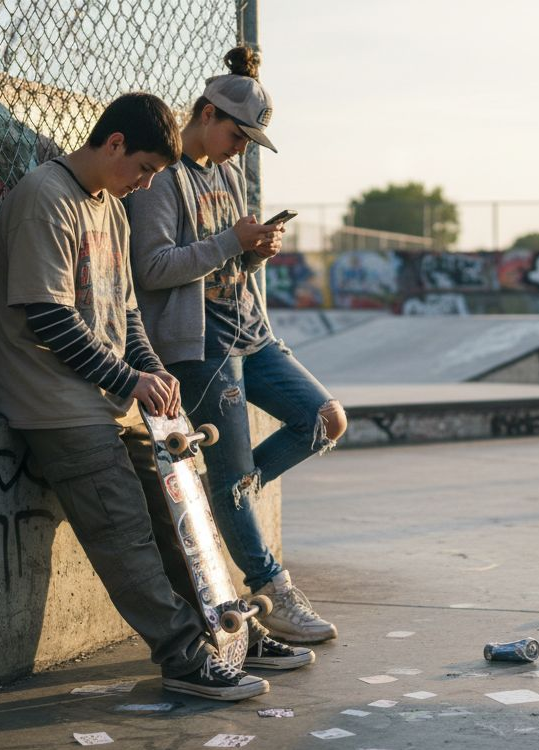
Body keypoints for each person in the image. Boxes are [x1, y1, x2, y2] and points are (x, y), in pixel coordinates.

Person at [0, 92, 310, 703]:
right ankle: (187, 659)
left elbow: (127, 309)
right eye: (144, 170)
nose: (144, 185)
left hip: (105, 397)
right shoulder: (44, 199)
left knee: (181, 518)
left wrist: (153, 373)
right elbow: (46, 317)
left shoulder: (109, 205)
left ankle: (230, 628)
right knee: (126, 532)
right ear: (113, 144)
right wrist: (128, 380)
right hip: (54, 403)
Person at [125, 48, 346, 644]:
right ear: (204, 113)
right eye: (236, 135)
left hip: (252, 331)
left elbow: (227, 254)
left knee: (324, 419)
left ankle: (233, 492)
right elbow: (150, 268)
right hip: (199, 344)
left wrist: (252, 250)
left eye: (250, 141)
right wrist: (231, 242)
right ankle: (271, 587)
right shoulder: (161, 177)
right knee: (230, 474)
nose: (240, 149)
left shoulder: (225, 172)